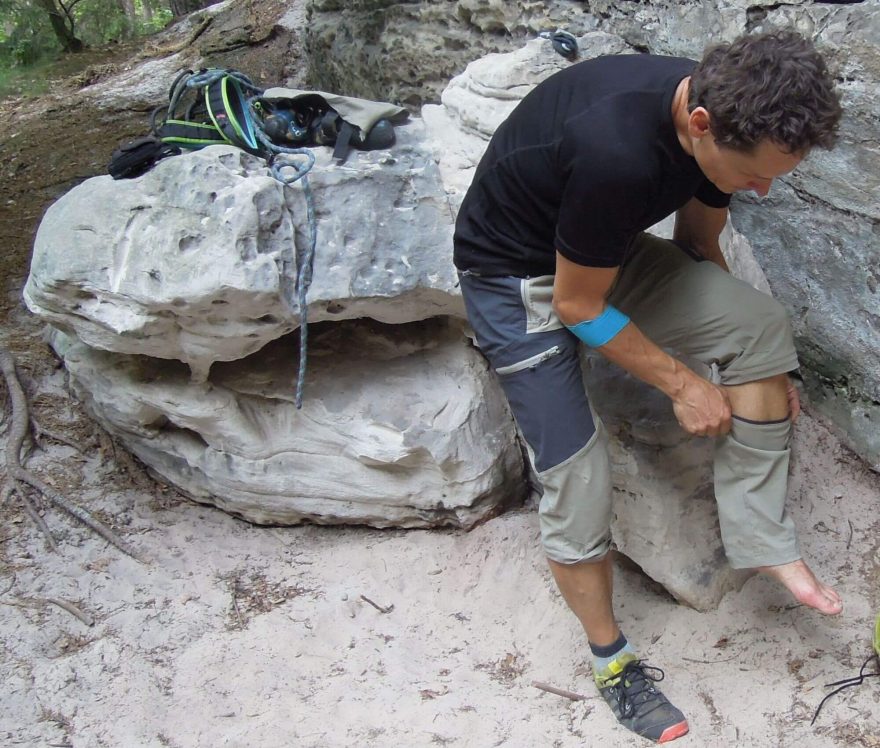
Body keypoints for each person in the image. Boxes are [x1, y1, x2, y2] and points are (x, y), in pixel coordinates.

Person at [452, 30, 843, 743]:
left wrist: (741, 353)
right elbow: (574, 306)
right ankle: (611, 660)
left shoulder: (720, 111)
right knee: (578, 476)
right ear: (700, 125)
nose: (763, 189)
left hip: (599, 253)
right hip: (519, 280)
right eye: (756, 175)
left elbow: (697, 243)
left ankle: (761, 539)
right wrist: (684, 383)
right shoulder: (617, 152)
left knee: (760, 330)